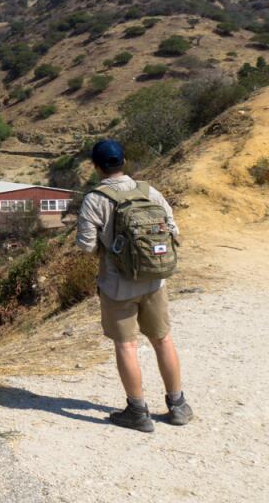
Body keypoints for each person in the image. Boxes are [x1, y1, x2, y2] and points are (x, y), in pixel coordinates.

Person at [76, 139, 193, 432]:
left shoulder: (95, 199)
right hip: (155, 280)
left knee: (126, 345)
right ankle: (177, 405)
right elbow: (173, 231)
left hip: (118, 286)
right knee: (163, 339)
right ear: (124, 161)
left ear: (96, 166)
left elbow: (86, 246)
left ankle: (138, 412)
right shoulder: (149, 191)